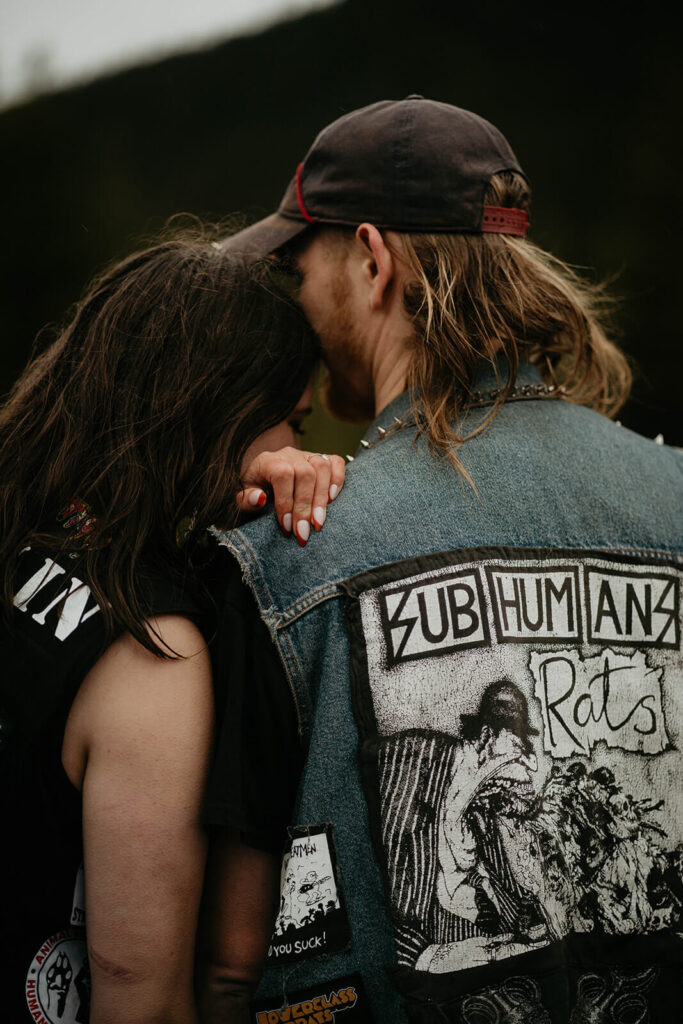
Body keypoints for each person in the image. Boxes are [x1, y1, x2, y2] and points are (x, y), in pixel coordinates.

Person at [202, 97, 683, 1023]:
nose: (295, 303)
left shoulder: (292, 552)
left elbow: (228, 961)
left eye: (300, 266)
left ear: (372, 260)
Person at [0, 229, 346, 1024]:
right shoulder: (150, 647)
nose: (300, 449)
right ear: (220, 409)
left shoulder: (21, 528)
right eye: (292, 423)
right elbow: (142, 995)